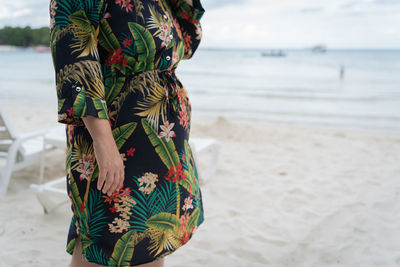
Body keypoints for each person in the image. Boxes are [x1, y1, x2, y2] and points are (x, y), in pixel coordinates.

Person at [49, 0, 206, 266]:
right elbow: (75, 61)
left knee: (156, 236)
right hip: (115, 129)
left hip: (164, 133)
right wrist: (103, 141)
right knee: (102, 234)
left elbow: (186, 45)